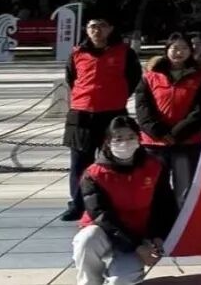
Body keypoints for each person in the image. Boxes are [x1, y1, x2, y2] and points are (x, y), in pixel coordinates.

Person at [72, 116, 177, 285]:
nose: (125, 143)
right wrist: (137, 247)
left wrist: (158, 236)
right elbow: (102, 216)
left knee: (120, 281)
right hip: (105, 232)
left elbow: (164, 203)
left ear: (139, 139)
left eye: (130, 137)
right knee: (86, 240)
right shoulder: (93, 174)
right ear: (108, 142)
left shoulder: (155, 166)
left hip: (139, 233)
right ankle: (90, 282)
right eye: (118, 138)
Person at [61, 19, 142, 222]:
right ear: (87, 29)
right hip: (81, 114)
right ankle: (78, 204)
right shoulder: (77, 53)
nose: (97, 30)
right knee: (79, 163)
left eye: (102, 26)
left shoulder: (125, 52)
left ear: (111, 28)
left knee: (117, 159)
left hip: (113, 115)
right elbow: (71, 79)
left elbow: (133, 79)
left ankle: (116, 202)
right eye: (92, 26)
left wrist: (115, 96)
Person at [134, 33, 201, 208]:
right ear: (167, 50)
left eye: (184, 48)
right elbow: (142, 108)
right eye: (175, 48)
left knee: (184, 190)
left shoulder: (200, 77)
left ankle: (181, 223)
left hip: (186, 142)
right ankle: (158, 223)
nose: (179, 52)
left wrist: (176, 134)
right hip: (155, 143)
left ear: (190, 51)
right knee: (155, 188)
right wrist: (159, 132)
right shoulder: (150, 76)